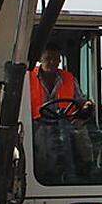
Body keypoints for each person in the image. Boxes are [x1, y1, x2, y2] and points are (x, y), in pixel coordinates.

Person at [29, 44, 94, 182]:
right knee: (42, 140)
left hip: (66, 122)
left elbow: (80, 100)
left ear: (60, 61)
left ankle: (87, 168)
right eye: (48, 58)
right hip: (37, 123)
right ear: (40, 59)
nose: (52, 62)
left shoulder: (68, 78)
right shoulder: (28, 78)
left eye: (56, 59)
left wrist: (86, 106)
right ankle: (44, 175)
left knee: (81, 132)